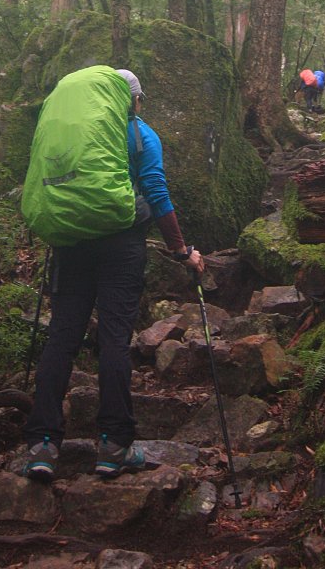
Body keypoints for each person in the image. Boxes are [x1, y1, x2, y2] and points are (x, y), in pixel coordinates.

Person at [22, 68, 204, 482]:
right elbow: (156, 192)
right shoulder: (141, 135)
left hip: (70, 240)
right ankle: (114, 445)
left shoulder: (70, 134)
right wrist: (182, 251)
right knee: (115, 338)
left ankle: (42, 445)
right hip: (121, 242)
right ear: (131, 100)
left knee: (63, 336)